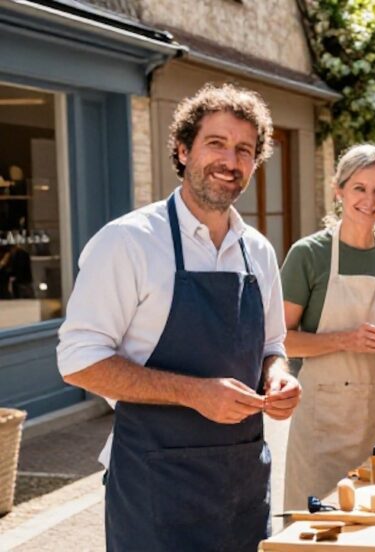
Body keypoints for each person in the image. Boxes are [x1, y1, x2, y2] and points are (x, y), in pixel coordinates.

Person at [57, 83, 301, 551]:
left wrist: (279, 378)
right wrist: (194, 393)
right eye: (216, 143)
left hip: (242, 485)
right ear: (183, 148)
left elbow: (274, 346)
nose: (230, 161)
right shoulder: (127, 242)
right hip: (155, 488)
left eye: (244, 150)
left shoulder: (259, 252)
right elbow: (78, 360)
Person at [281, 144, 375, 510]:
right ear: (338, 190)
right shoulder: (308, 255)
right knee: (317, 530)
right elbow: (281, 341)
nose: (369, 200)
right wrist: (346, 339)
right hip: (324, 425)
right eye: (359, 188)